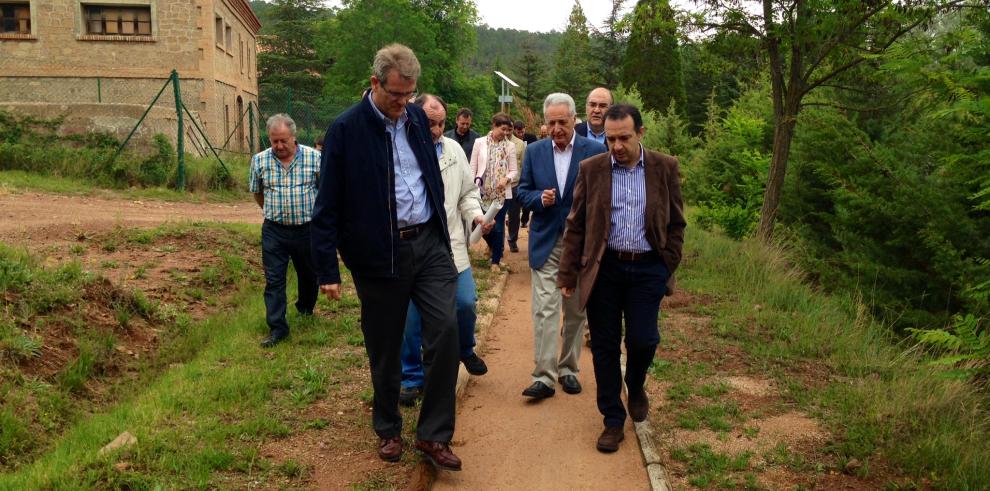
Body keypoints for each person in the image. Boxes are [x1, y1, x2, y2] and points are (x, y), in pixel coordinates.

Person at [310, 44, 463, 472]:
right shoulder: (346, 130)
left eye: (409, 95)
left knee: (446, 330)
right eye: (396, 94)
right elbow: (328, 206)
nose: (402, 104)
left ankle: (433, 435)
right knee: (385, 343)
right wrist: (328, 269)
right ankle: (389, 426)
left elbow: (428, 173)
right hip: (380, 253)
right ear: (376, 83)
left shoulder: (415, 118)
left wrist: (439, 228)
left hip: (428, 244)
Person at [558, 104, 686, 452]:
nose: (616, 146)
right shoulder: (592, 169)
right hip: (606, 268)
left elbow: (676, 223)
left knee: (644, 339)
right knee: (604, 346)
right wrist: (569, 273)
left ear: (640, 134)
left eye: (624, 138)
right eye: (611, 139)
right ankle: (613, 419)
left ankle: (636, 381)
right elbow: (576, 224)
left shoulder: (664, 167)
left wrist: (666, 266)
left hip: (647, 269)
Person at [399, 93, 491, 407]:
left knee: (465, 303)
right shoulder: (401, 150)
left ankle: (465, 348)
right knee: (411, 319)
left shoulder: (452, 149)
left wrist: (476, 214)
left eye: (440, 124)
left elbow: (466, 192)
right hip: (412, 247)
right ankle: (411, 377)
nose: (436, 130)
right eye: (430, 123)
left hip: (451, 243)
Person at [516, 93, 607, 399]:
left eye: (562, 122)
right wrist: (538, 199)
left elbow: (603, 197)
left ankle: (568, 369)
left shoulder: (594, 151)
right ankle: (544, 375)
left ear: (573, 120)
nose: (556, 128)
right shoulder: (534, 151)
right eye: (551, 122)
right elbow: (522, 193)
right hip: (546, 241)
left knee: (575, 309)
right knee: (544, 309)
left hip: (581, 245)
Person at [249, 113, 321, 348]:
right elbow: (258, 193)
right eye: (274, 141)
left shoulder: (315, 158)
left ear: (294, 137)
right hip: (274, 231)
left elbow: (324, 191)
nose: (279, 146)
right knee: (274, 279)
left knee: (309, 274)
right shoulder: (259, 161)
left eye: (283, 141)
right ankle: (277, 327)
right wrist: (274, 211)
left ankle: (305, 307)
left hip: (307, 228)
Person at [470, 112, 518, 272]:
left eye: (507, 130)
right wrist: (471, 186)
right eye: (502, 129)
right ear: (494, 126)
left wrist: (506, 179)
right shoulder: (480, 142)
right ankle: (491, 247)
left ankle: (495, 261)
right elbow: (473, 166)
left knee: (497, 227)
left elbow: (514, 170)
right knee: (482, 224)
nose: (505, 133)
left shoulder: (510, 146)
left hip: (502, 195)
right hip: (482, 192)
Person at [506, 121, 528, 253]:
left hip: (514, 185)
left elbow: (524, 165)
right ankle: (496, 245)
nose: (507, 132)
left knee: (514, 215)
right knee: (496, 215)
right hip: (498, 186)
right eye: (505, 129)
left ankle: (512, 240)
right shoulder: (495, 142)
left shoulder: (520, 144)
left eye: (510, 129)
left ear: (513, 129)